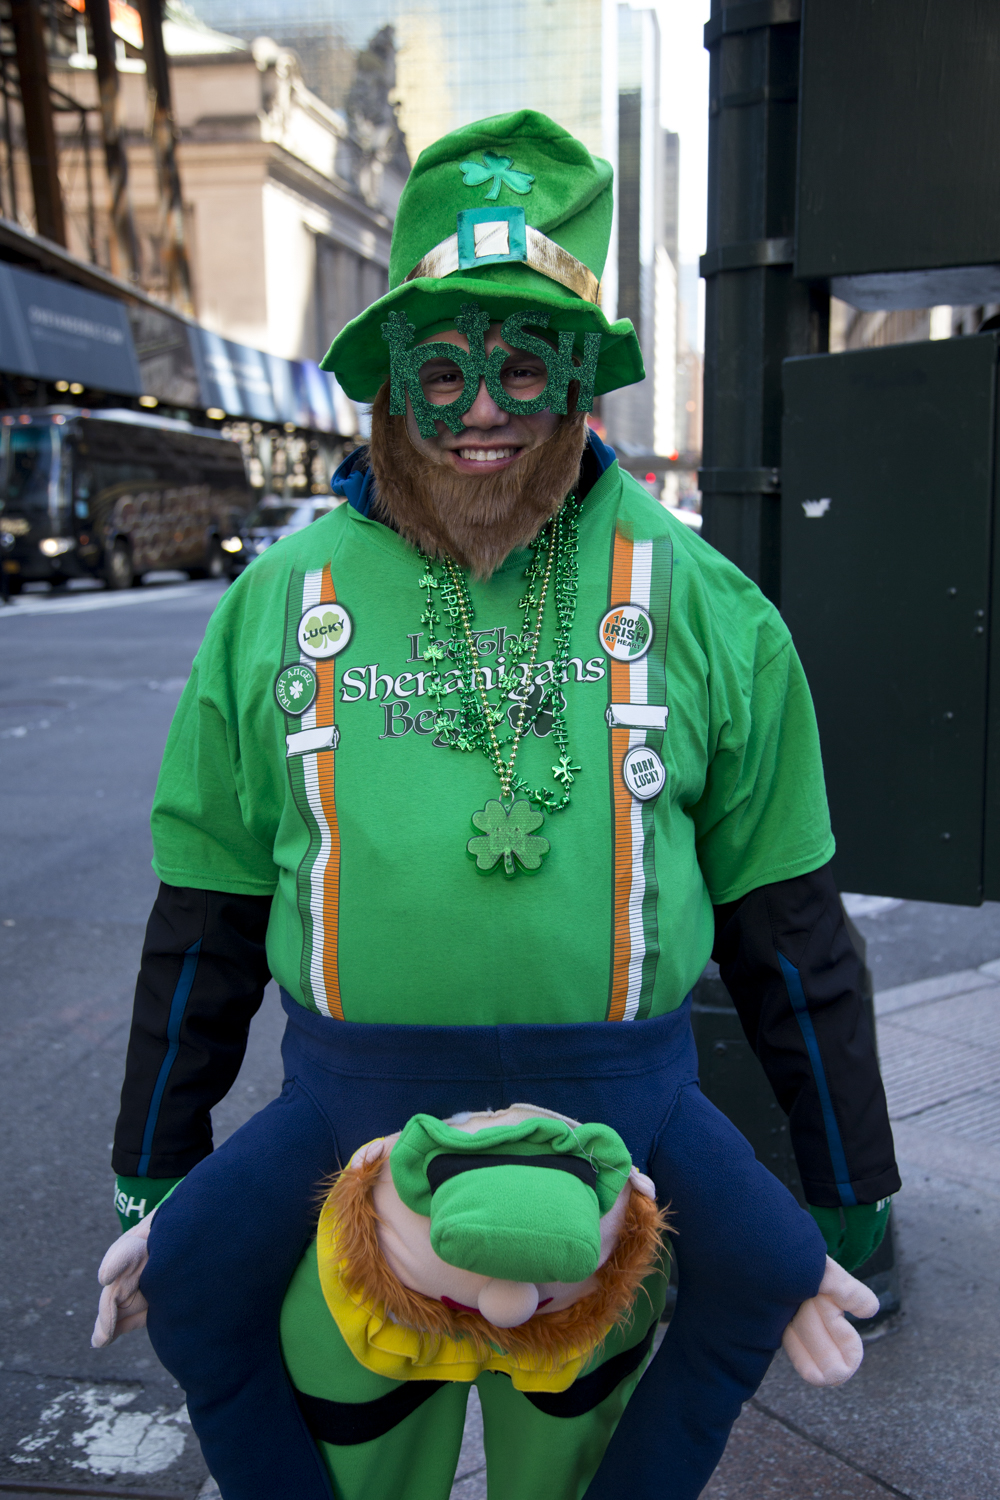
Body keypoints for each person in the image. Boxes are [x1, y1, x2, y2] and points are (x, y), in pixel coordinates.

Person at [101, 111, 899, 1499]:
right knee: (356, 1455)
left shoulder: (704, 605)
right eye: (444, 367)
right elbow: (211, 907)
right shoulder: (281, 603)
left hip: (617, 1192)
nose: (479, 411)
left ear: (583, 378)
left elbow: (789, 923)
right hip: (343, 1178)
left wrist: (840, 1177)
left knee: (577, 1462)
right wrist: (158, 1158)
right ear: (388, 379)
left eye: (525, 367)